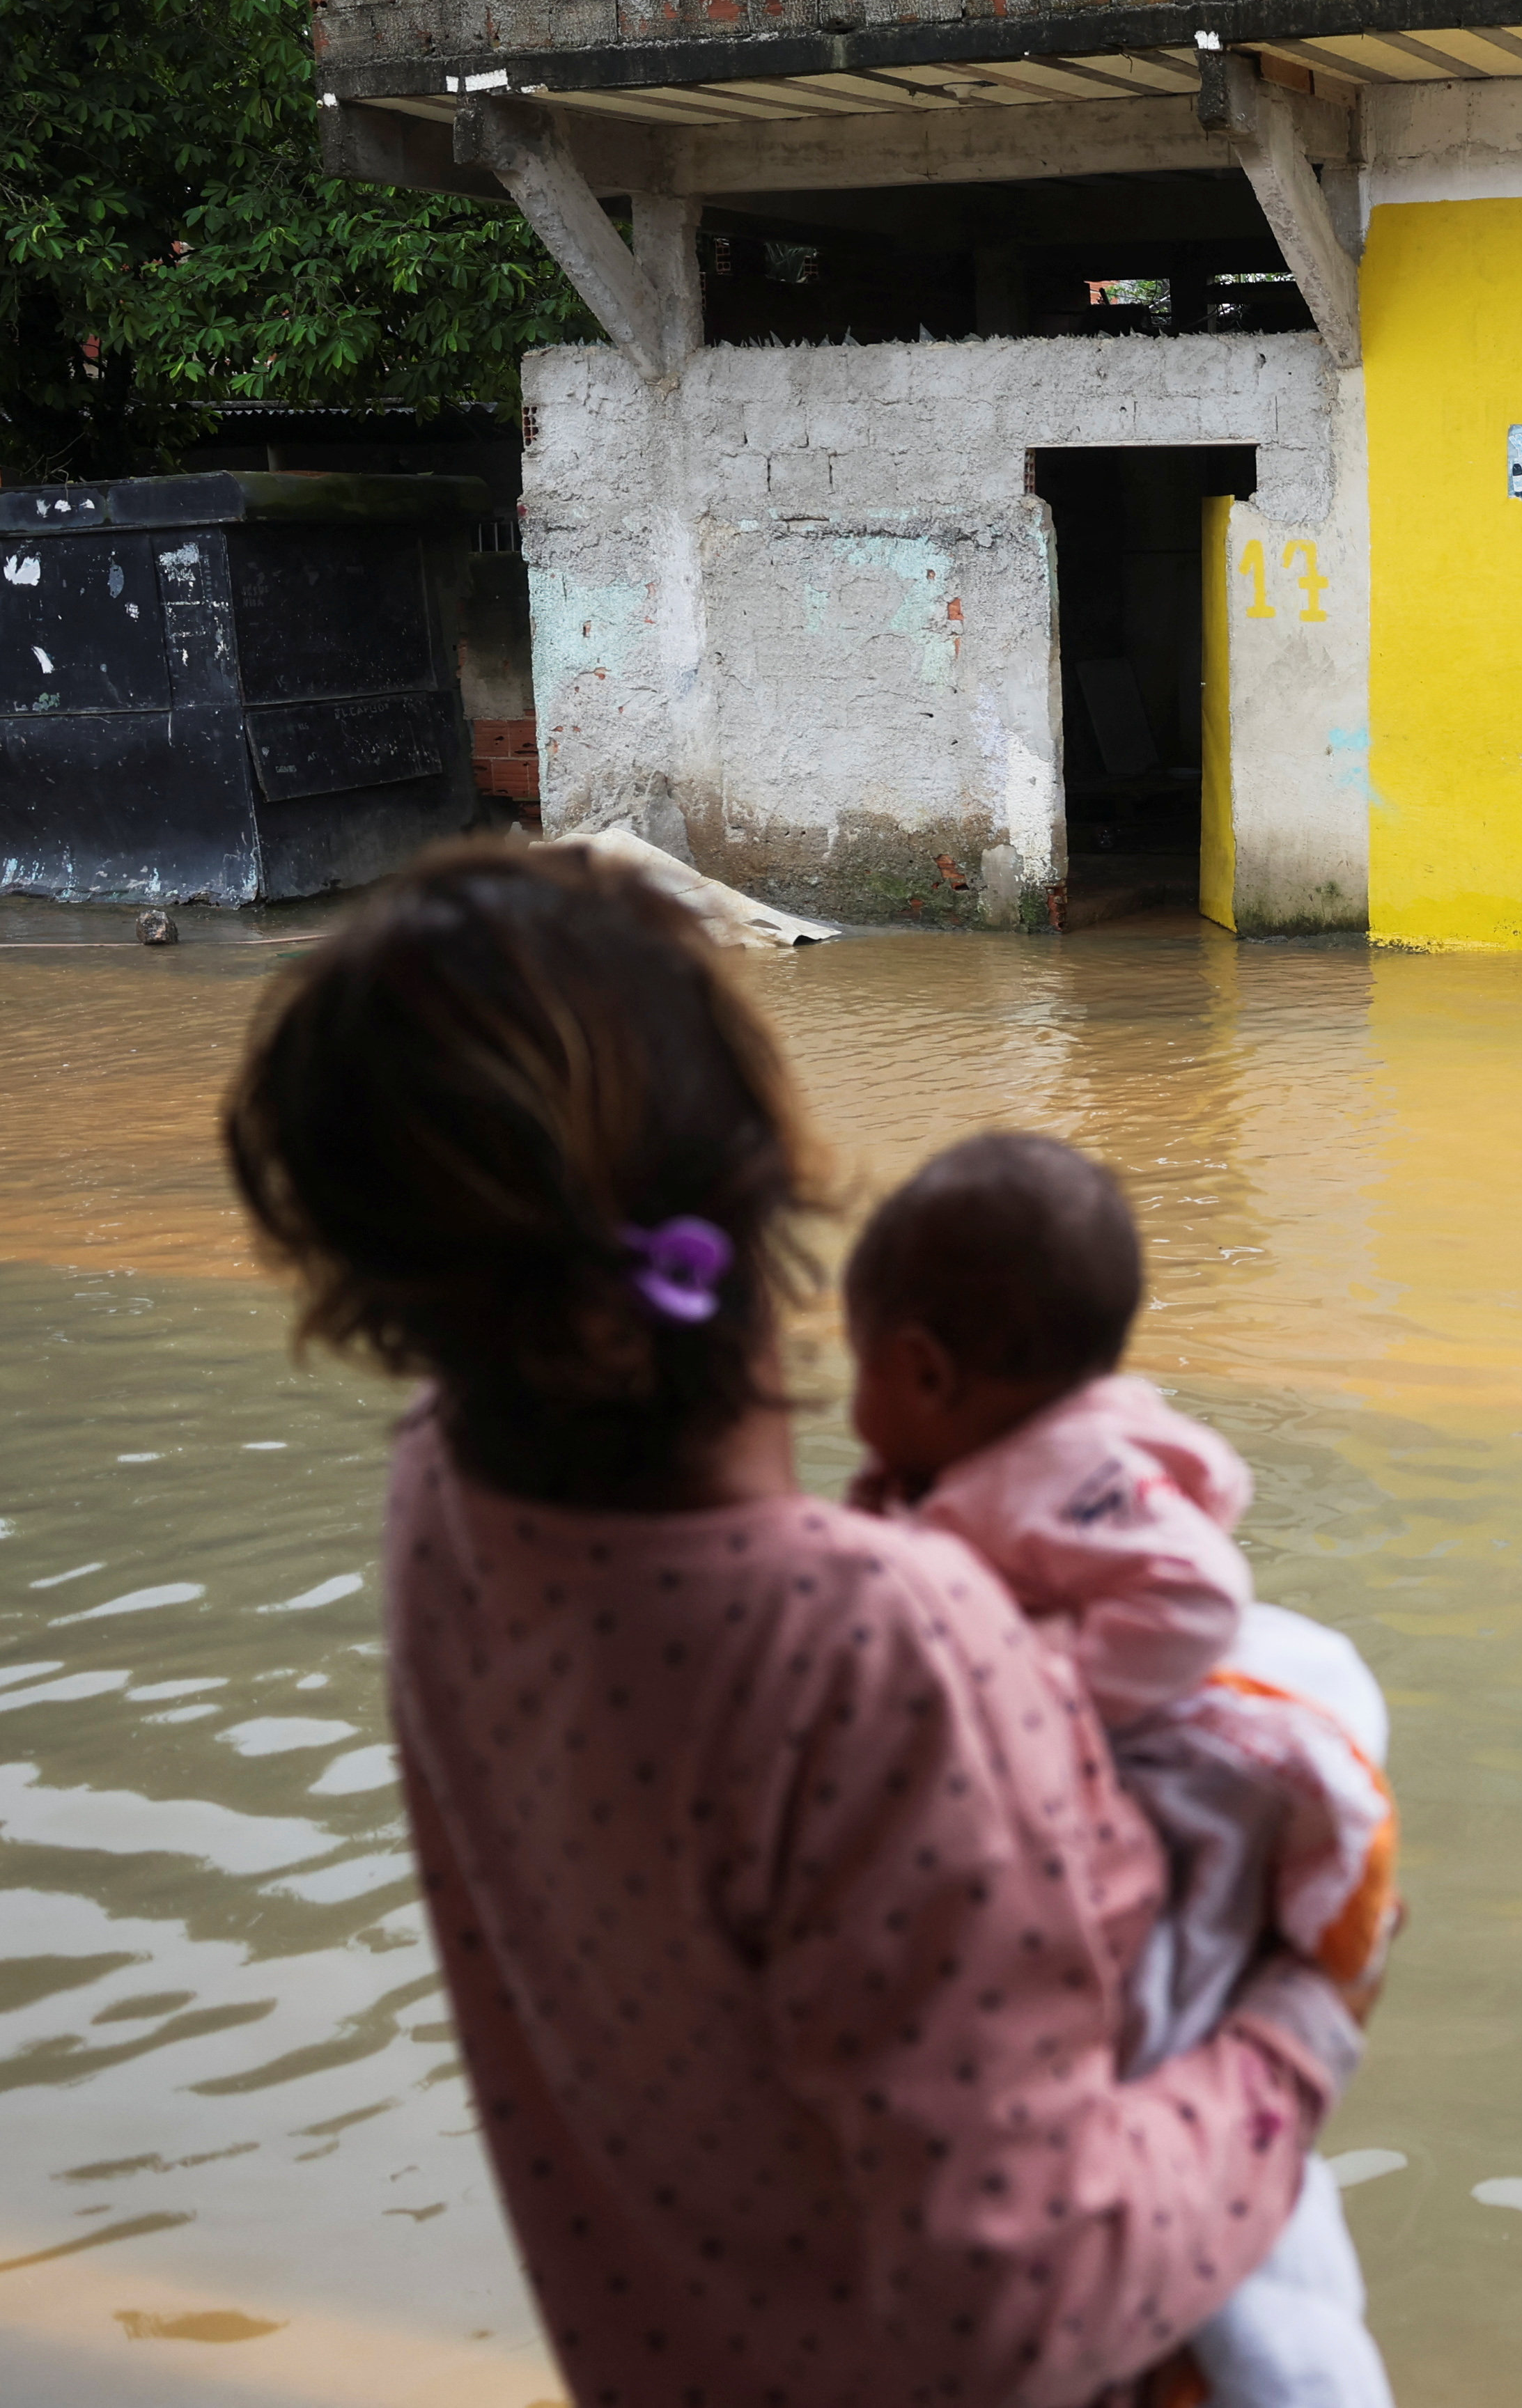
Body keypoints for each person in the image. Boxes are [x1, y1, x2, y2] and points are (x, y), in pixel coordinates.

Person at [221, 844, 1358, 2408]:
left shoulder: (446, 1502)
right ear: (767, 1191)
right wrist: (1303, 2031)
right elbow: (1011, 2311)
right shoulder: (881, 1647)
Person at [846, 1133, 1397, 2408]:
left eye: (857, 1360)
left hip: (1126, 1758)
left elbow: (1197, 1590)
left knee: (1156, 2028)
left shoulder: (1062, 1473)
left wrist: (1048, 1693)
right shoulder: (998, 1452)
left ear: (925, 1369)